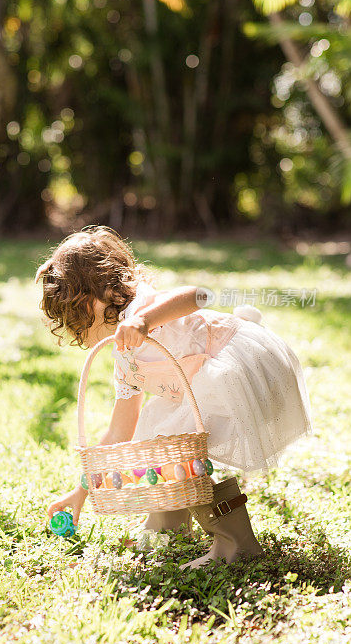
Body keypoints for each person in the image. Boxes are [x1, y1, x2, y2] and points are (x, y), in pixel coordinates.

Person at [37, 226, 313, 568]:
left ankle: (236, 545)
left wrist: (143, 320)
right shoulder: (124, 357)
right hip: (209, 385)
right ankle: (167, 528)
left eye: (77, 312)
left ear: (106, 290)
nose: (77, 327)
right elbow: (118, 432)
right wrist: (80, 492)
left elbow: (199, 295)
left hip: (235, 366)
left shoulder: (143, 307)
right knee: (161, 443)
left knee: (175, 442)